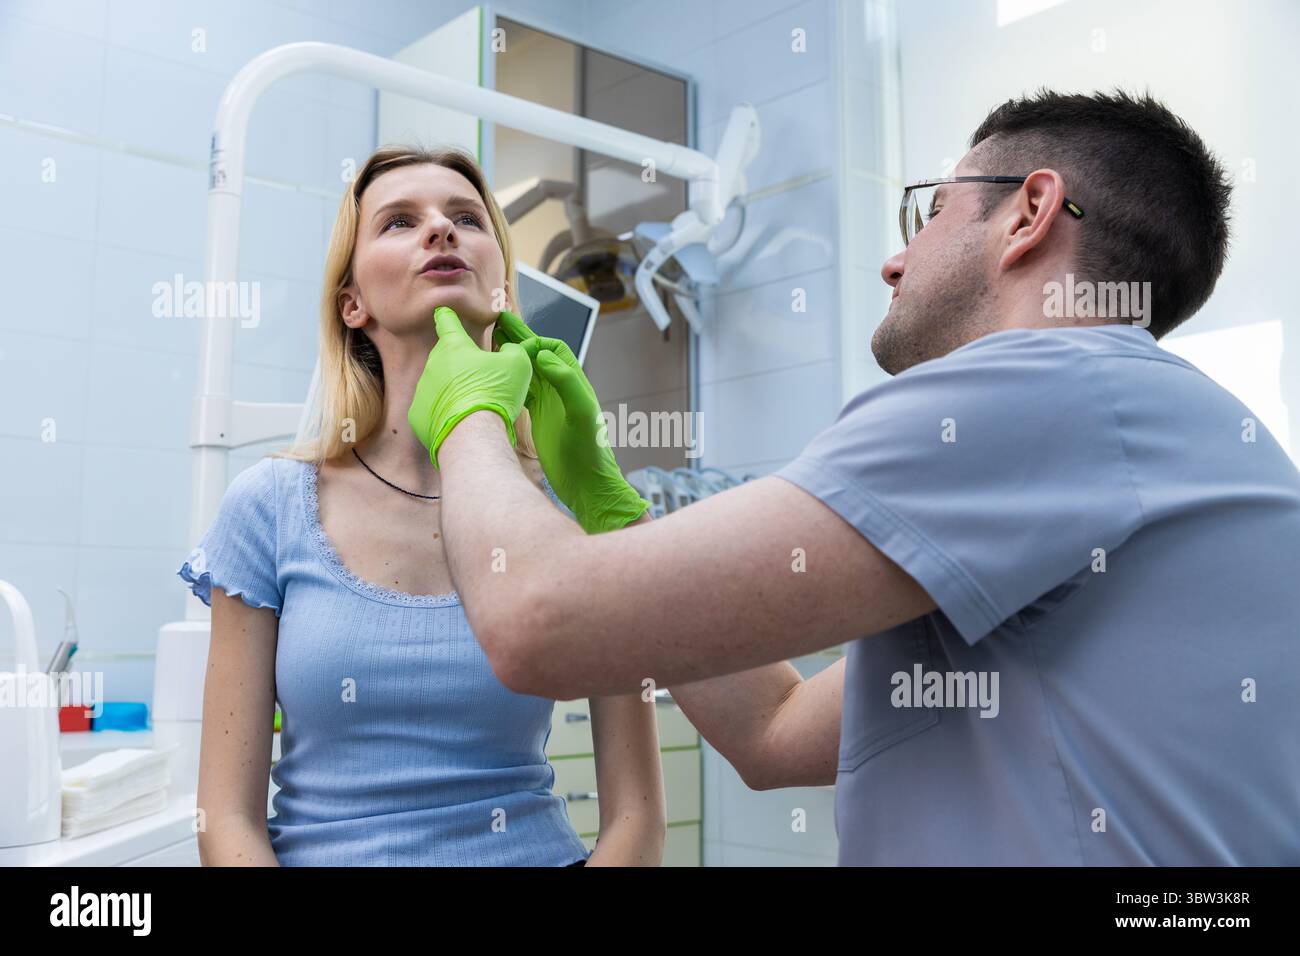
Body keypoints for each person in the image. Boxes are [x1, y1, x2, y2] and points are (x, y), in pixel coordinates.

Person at [407, 89, 1300, 865]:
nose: (894, 260)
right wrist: (604, 500)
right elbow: (774, 732)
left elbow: (533, 625)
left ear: (1029, 213)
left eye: (932, 212)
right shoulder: (1164, 424)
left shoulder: (1037, 395)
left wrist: (467, 415)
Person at [177, 144, 665, 866]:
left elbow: (638, 821)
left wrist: (617, 532)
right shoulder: (271, 507)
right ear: (352, 303)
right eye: (399, 222)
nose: (440, 230)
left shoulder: (570, 505)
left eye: (466, 218)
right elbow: (225, 819)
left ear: (502, 283)